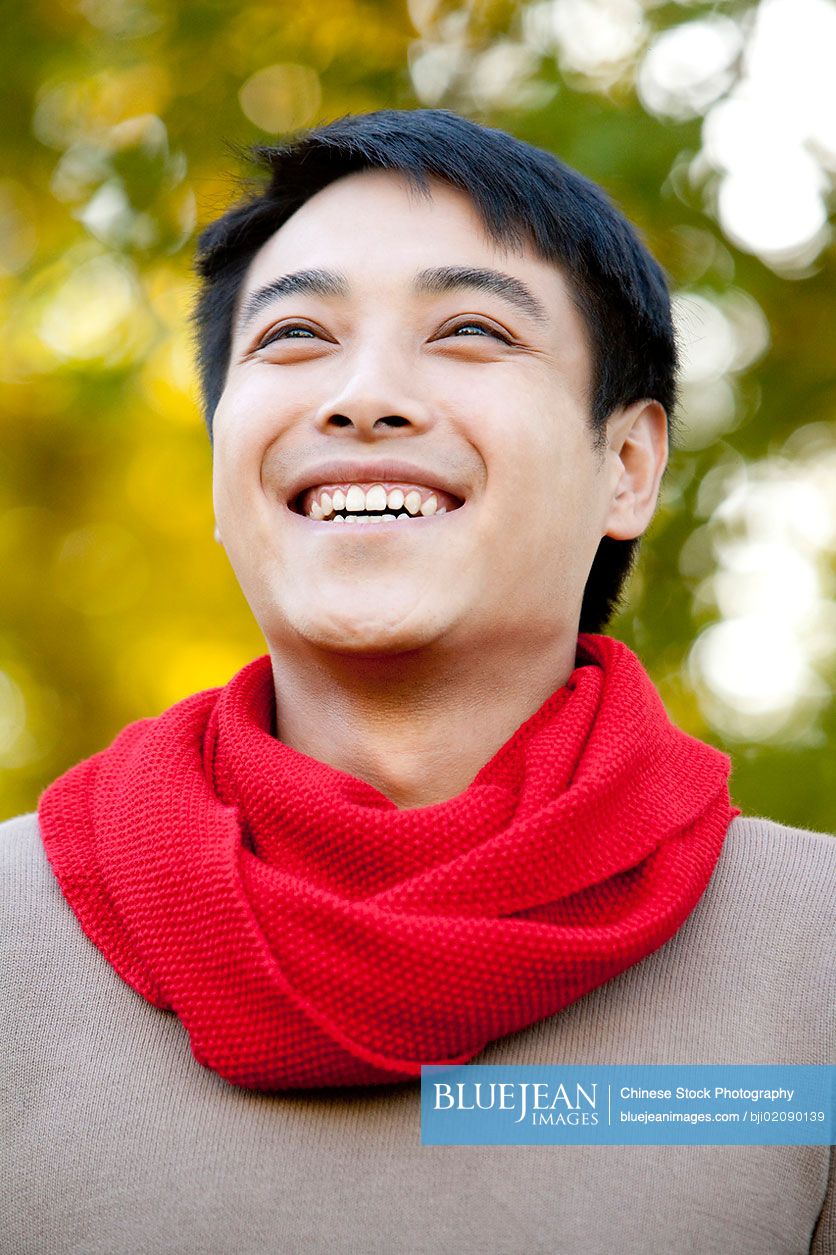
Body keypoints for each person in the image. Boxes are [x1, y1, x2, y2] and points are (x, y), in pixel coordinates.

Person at [1, 109, 833, 1255]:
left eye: (471, 330)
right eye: (293, 335)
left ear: (628, 466)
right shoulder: (11, 942)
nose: (363, 395)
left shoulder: (812, 962)